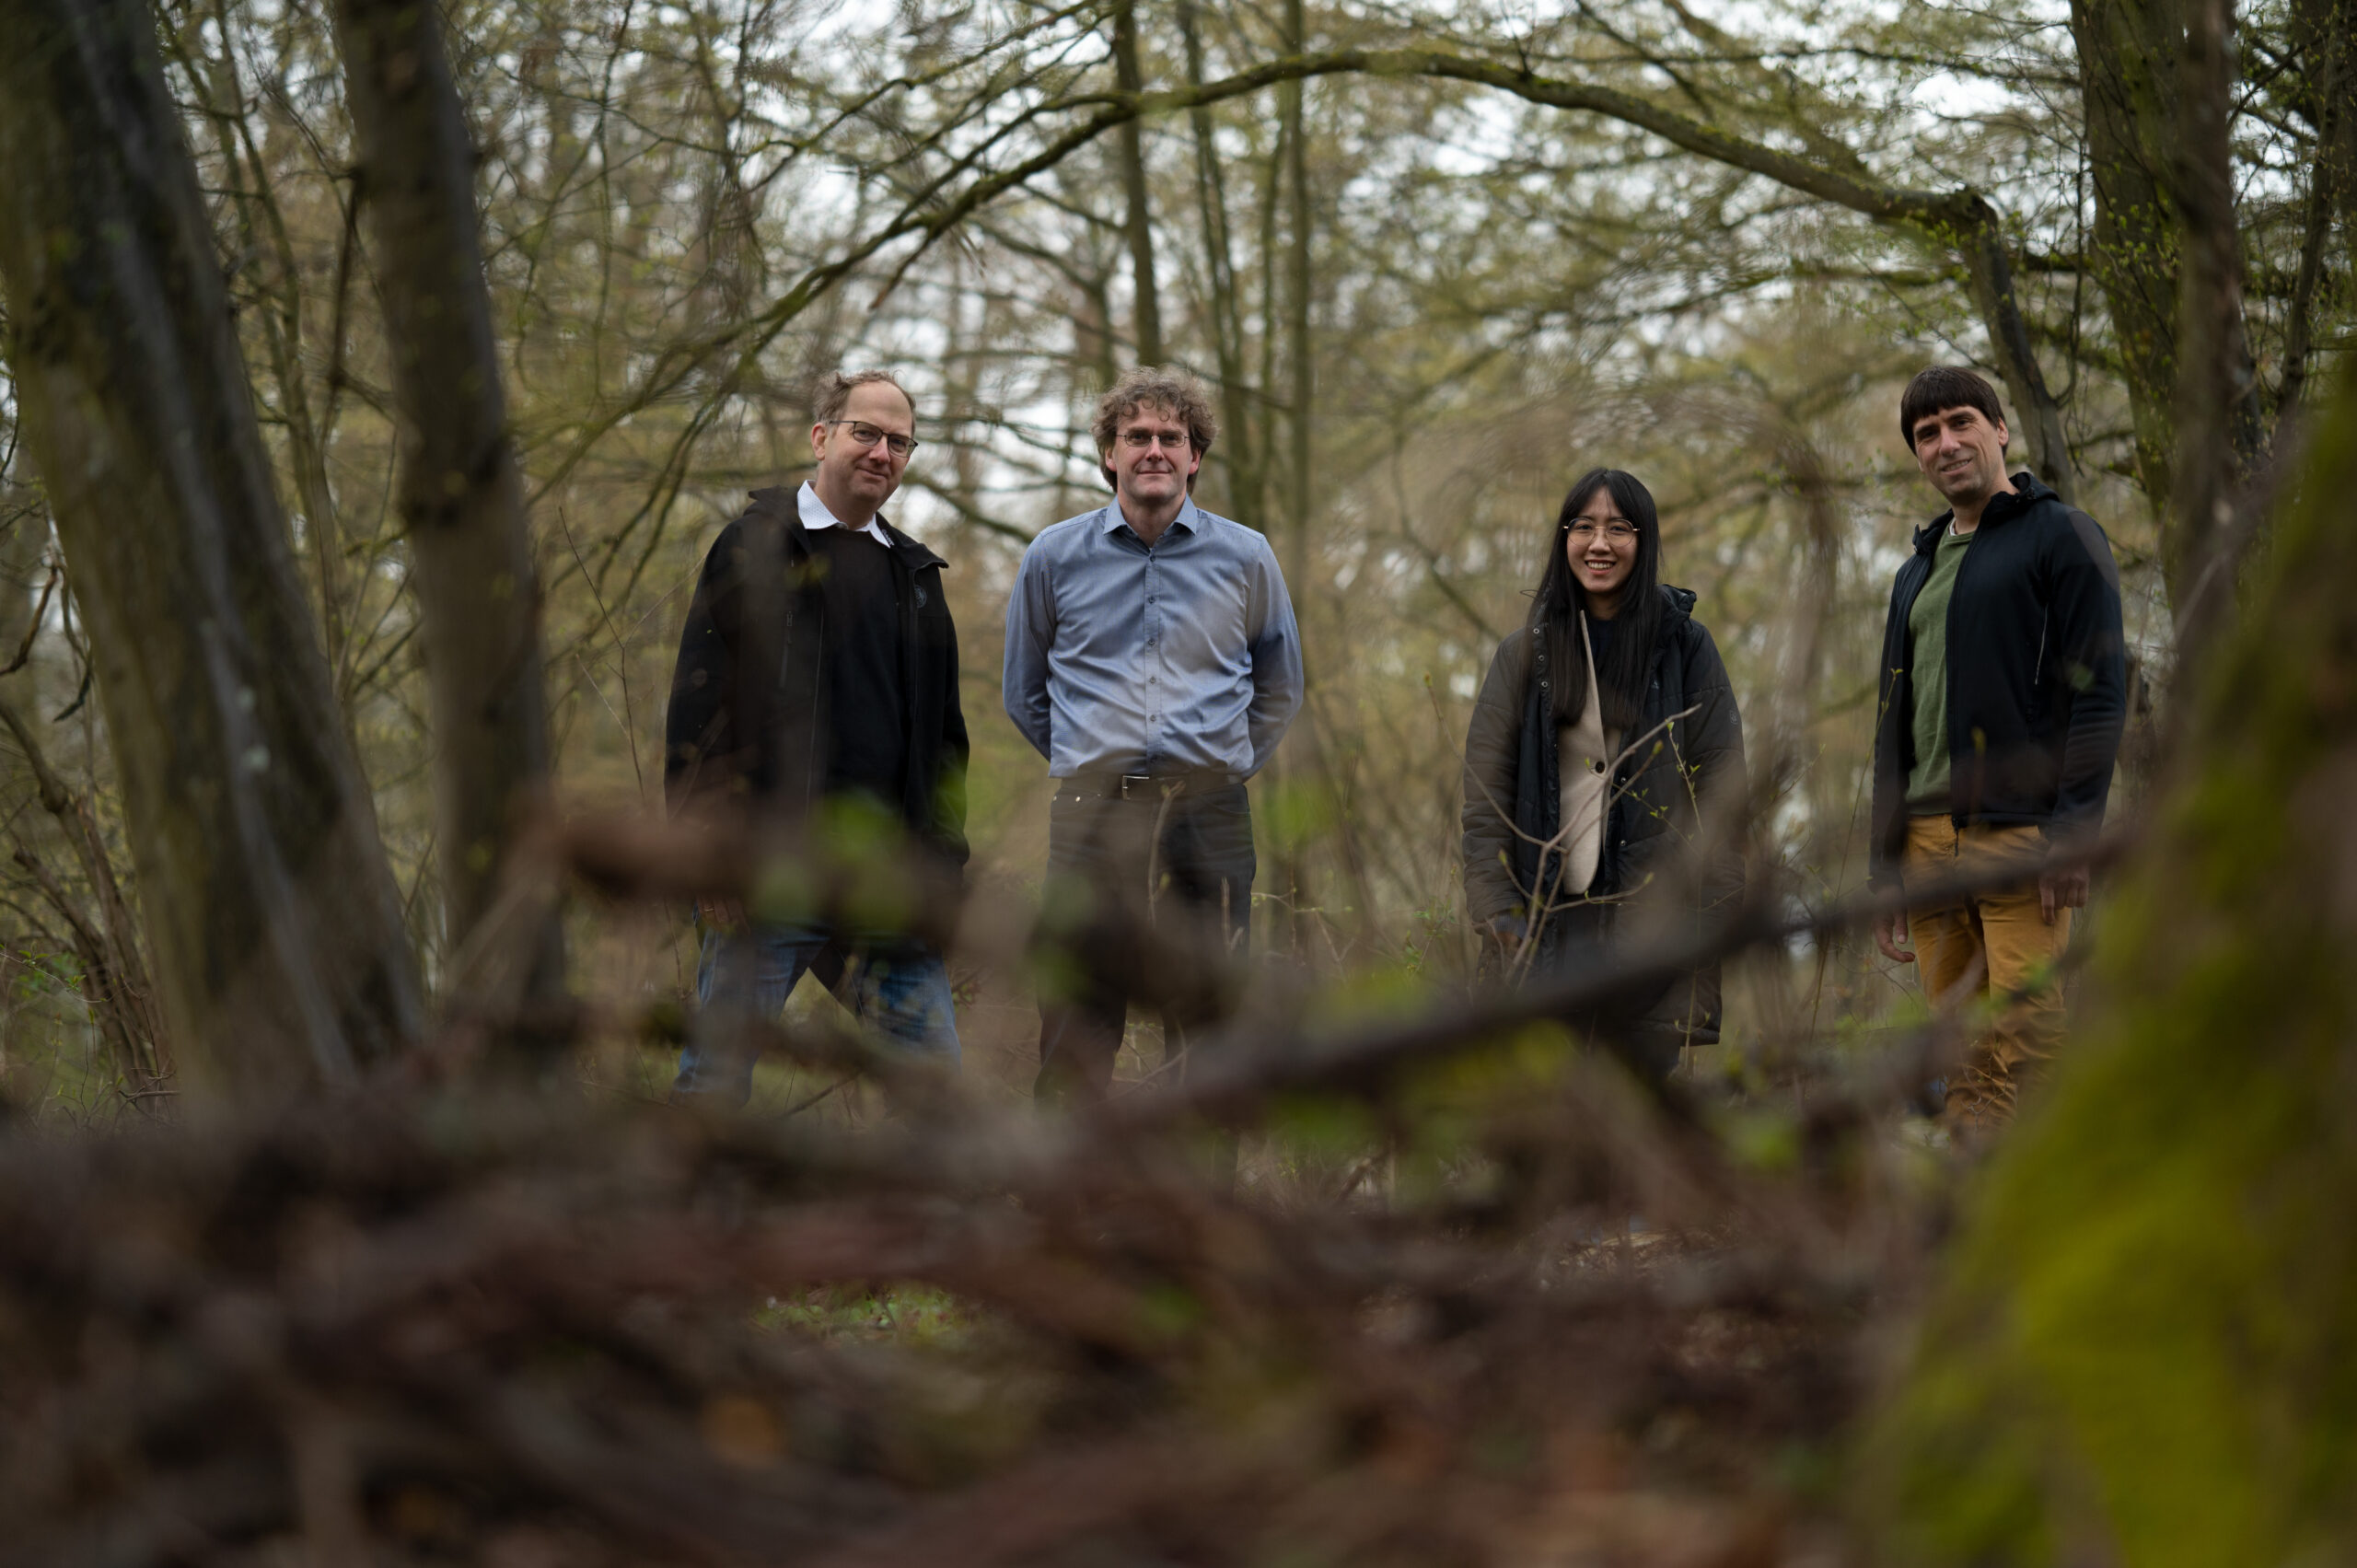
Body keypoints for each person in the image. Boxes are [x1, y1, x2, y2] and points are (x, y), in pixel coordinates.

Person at [663, 369, 969, 1100]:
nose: (881, 452)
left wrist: (944, 872)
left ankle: (942, 1219)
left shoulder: (917, 578)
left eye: (899, 442)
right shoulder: (753, 547)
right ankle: (678, 1212)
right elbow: (696, 709)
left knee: (941, 1100)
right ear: (822, 435)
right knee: (715, 1082)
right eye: (865, 432)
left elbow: (945, 744)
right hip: (768, 874)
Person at [1002, 366, 1304, 1102]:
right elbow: (1023, 692)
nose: (1154, 451)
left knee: (1210, 1016)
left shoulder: (1246, 556)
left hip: (1210, 814)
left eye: (1172, 437)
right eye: (1136, 436)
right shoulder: (1053, 556)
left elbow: (1281, 687)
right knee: (1079, 1010)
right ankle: (1069, 1202)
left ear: (1195, 456)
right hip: (1090, 817)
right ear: (1109, 453)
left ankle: (1200, 1205)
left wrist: (1220, 766)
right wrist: (1092, 764)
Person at [1869, 366, 2126, 1132]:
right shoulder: (1914, 572)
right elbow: (1894, 724)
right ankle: (1974, 1209)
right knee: (1962, 1049)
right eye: (1927, 434)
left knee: (2030, 1033)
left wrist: (2074, 831)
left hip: (2021, 833)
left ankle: (2054, 1217)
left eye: (1960, 423)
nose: (1946, 444)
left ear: (2000, 428)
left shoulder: (2062, 535)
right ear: (1917, 455)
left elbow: (2102, 692)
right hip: (1923, 841)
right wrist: (1884, 863)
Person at [1461, 468, 1747, 1087]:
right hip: (1542, 927)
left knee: (1639, 1113)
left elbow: (1725, 789)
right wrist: (1496, 912)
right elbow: (1484, 799)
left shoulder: (1687, 649)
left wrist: (1709, 919)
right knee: (1544, 1113)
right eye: (1584, 527)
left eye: (1619, 527)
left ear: (1643, 543)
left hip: (1654, 930)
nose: (1599, 543)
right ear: (1563, 540)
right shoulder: (1522, 656)